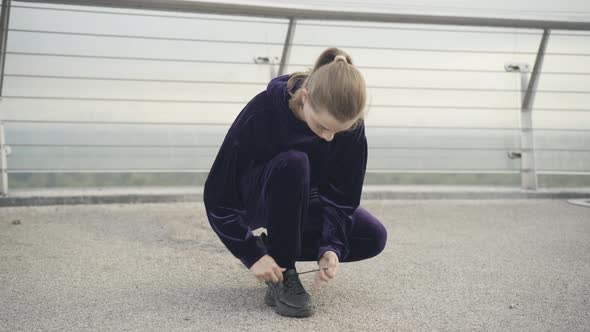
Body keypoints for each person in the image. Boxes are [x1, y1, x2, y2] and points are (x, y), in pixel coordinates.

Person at [203, 47, 387, 318]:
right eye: (322, 126)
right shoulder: (263, 110)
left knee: (372, 237)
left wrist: (330, 246)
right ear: (305, 97)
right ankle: (284, 273)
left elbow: (342, 197)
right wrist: (250, 254)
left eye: (339, 130)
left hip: (305, 198)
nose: (328, 137)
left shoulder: (349, 127)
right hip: (257, 197)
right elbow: (219, 197)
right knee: (295, 162)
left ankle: (276, 251)